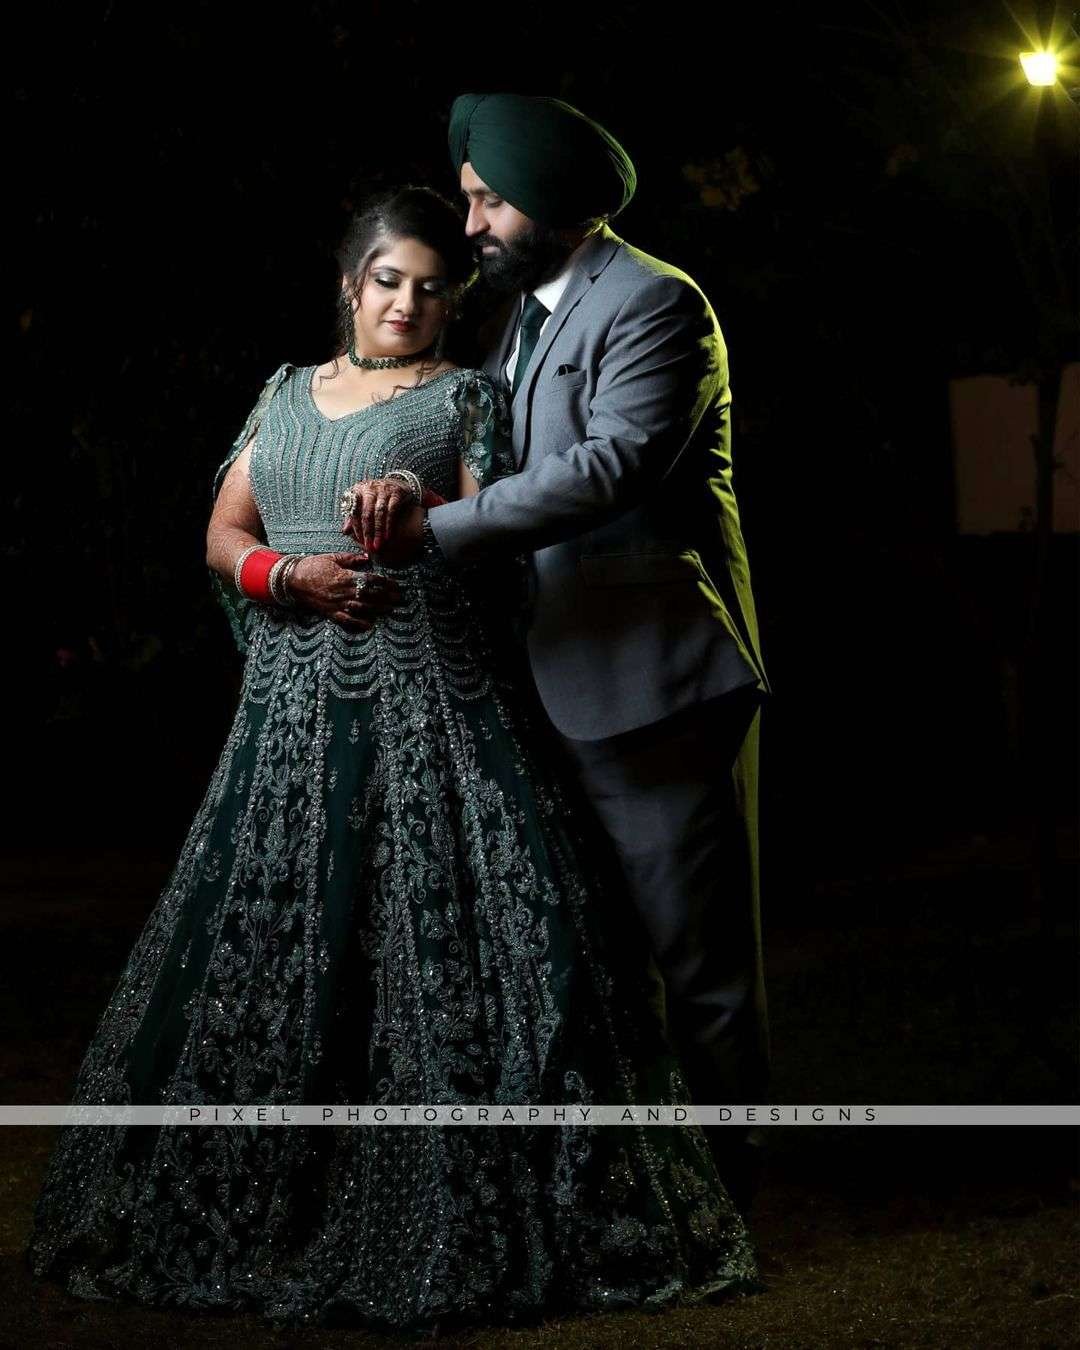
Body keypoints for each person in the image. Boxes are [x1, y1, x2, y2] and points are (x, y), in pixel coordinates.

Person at [25, 185, 759, 1334]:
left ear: (452, 301)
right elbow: (224, 533)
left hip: (433, 716)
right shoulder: (285, 391)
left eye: (429, 287)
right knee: (276, 951)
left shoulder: (466, 397)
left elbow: (498, 545)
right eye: (387, 282)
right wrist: (287, 576)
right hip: (290, 728)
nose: (407, 303)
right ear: (349, 285)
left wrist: (420, 506)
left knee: (453, 961)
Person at [352, 95, 772, 1215]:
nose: (472, 224)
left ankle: (734, 1191)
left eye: (490, 200)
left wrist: (433, 529)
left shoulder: (655, 301)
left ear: (550, 200)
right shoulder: (520, 317)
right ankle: (647, 1189)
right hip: (547, 678)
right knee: (601, 954)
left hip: (651, 683)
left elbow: (612, 466)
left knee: (698, 962)